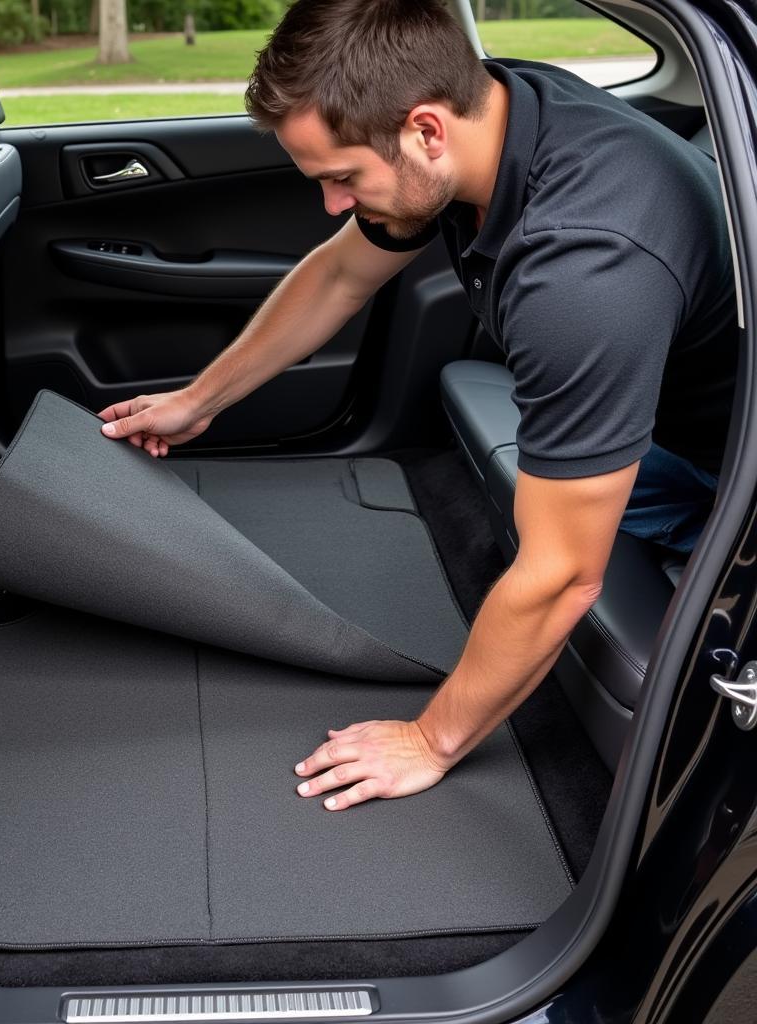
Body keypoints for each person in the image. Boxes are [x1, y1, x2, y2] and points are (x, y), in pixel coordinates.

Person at [98, 0, 737, 810]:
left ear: (426, 131)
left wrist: (430, 739)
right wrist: (199, 402)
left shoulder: (584, 267)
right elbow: (339, 275)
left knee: (686, 638)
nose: (332, 205)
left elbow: (564, 575)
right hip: (686, 424)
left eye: (341, 178)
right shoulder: (497, 116)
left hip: (730, 461)